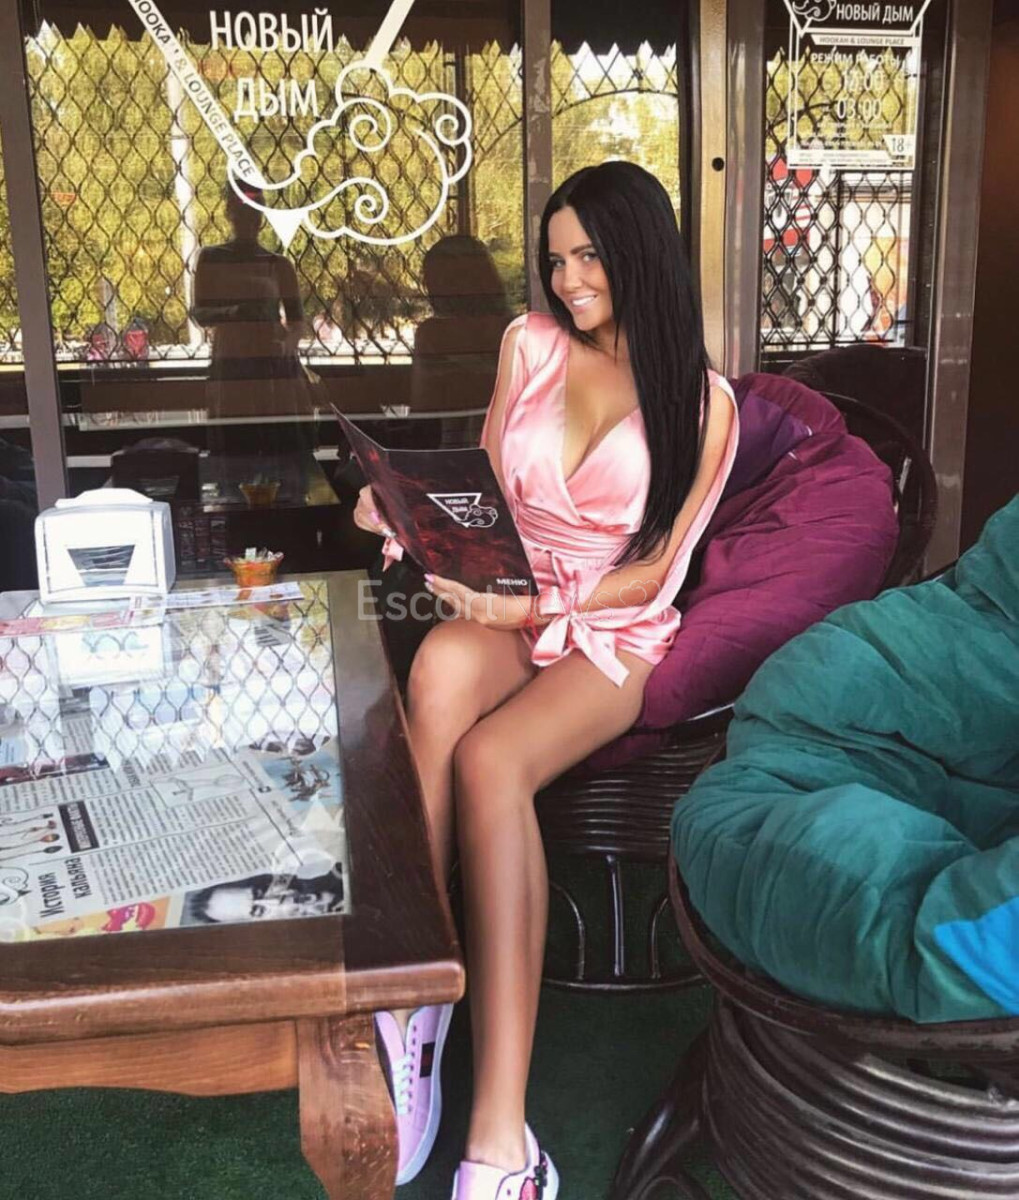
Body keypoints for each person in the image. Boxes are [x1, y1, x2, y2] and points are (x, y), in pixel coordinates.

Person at [353, 161, 739, 1199]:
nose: (567, 280)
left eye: (588, 256)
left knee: (491, 760)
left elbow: (654, 571)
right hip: (508, 602)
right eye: (556, 258)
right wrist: (401, 512)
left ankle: (500, 1140)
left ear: (641, 254)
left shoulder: (703, 403)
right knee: (439, 666)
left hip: (608, 631)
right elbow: (481, 497)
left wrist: (530, 613)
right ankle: (414, 985)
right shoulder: (526, 344)